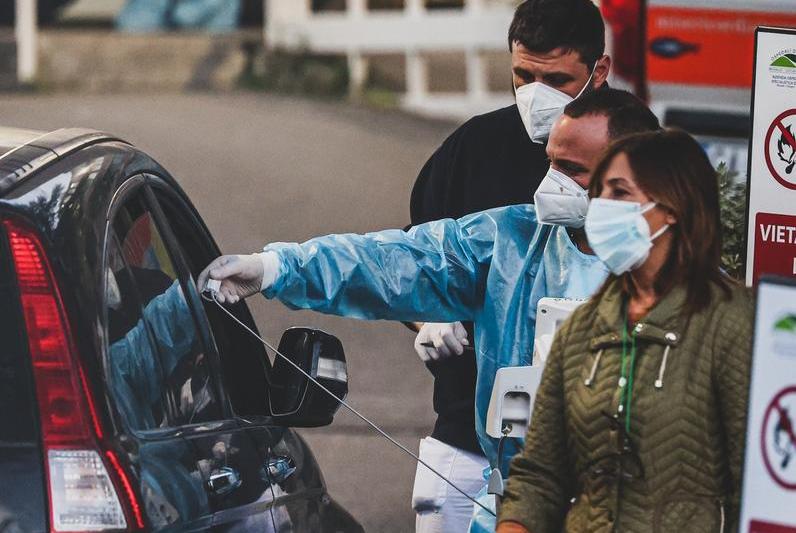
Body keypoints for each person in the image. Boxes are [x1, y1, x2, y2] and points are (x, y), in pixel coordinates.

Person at [407, 0, 610, 529]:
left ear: (600, 72)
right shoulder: (473, 148)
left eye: (558, 79)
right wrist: (427, 317)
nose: (535, 95)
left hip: (590, 462)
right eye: (523, 75)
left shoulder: (636, 154)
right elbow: (411, 261)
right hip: (466, 441)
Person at [496, 130, 754, 533]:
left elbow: (755, 484)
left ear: (672, 206)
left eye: (619, 192)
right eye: (598, 193)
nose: (600, 209)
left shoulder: (733, 323)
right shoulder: (582, 328)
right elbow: (539, 474)